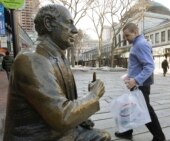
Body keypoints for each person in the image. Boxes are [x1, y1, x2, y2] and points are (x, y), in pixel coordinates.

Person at [3, 4, 111, 141]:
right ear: (48, 23)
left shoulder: (57, 56)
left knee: (102, 136)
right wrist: (94, 95)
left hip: (53, 130)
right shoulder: (32, 59)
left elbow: (64, 104)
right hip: (38, 137)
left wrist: (79, 119)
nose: (75, 30)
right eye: (69, 23)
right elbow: (63, 117)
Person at [114, 23, 166, 141]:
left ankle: (159, 137)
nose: (126, 39)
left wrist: (136, 80)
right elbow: (138, 65)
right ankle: (127, 131)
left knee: (146, 111)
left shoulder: (140, 45)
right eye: (124, 36)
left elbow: (149, 66)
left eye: (127, 35)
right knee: (131, 107)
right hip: (137, 84)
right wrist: (129, 76)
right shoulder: (137, 44)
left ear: (135, 32)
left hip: (140, 85)